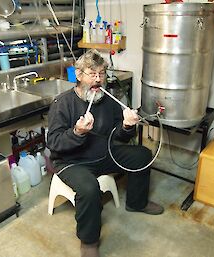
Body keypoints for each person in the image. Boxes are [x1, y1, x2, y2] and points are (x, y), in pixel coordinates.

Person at [47, 49, 164, 257]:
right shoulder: (62, 103)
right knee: (90, 189)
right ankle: (89, 241)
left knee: (143, 155)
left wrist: (127, 126)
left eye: (101, 74)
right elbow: (54, 143)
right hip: (72, 161)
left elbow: (118, 136)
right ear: (79, 75)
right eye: (92, 74)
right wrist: (77, 132)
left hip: (103, 153)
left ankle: (137, 203)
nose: (98, 79)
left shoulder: (107, 100)